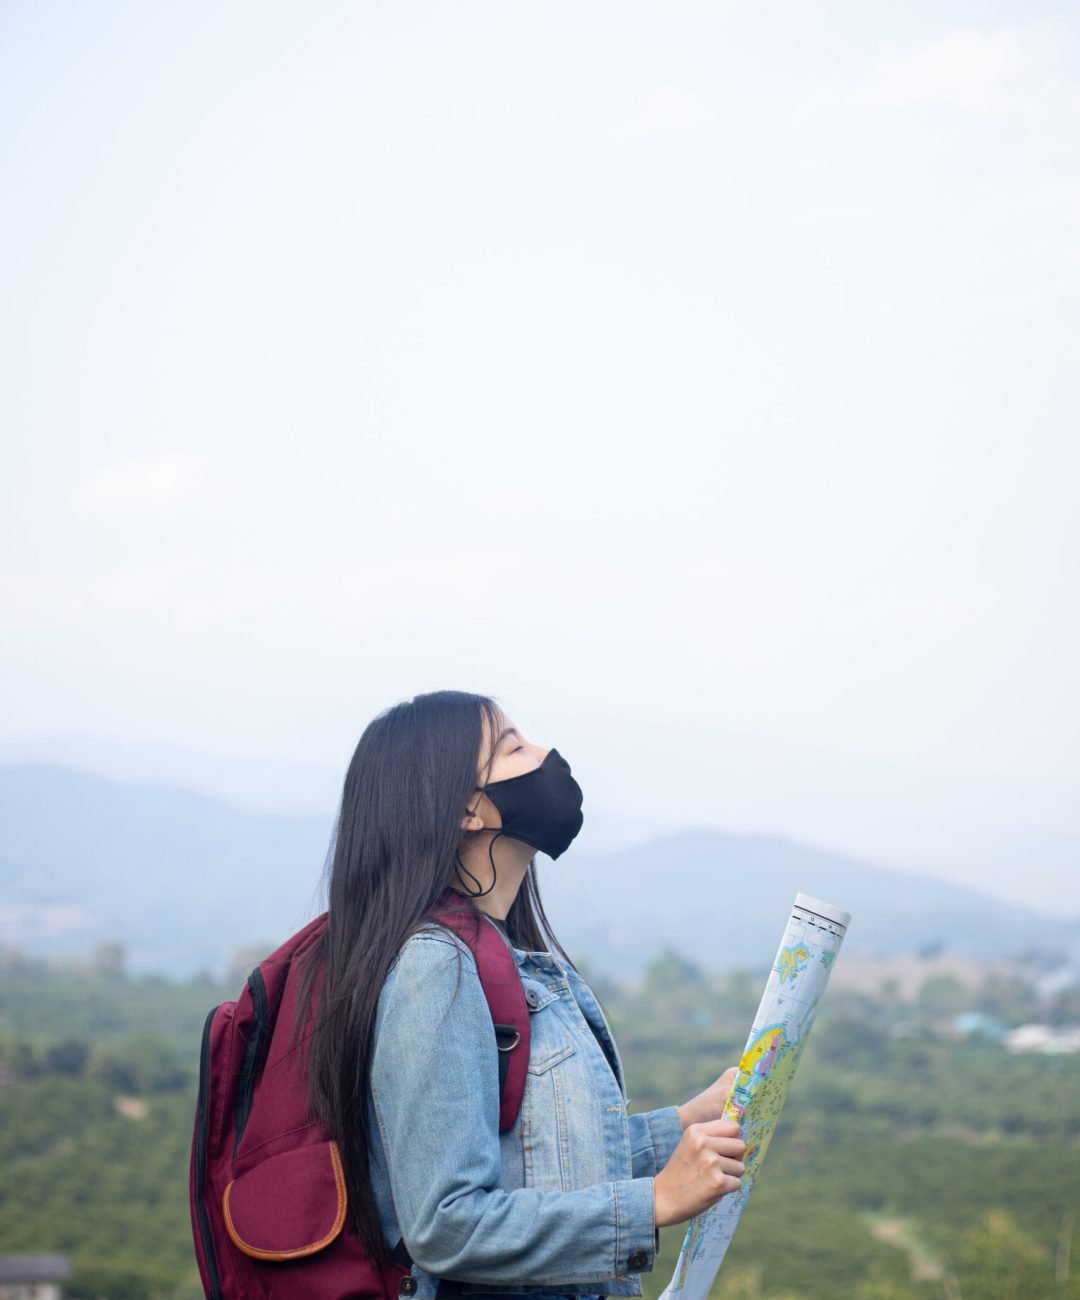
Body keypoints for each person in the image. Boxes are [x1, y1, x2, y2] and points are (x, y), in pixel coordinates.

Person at [299, 690, 746, 1298]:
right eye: (514, 747)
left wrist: (684, 1125)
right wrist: (657, 1201)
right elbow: (445, 1224)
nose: (546, 756)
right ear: (468, 810)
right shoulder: (436, 968)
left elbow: (538, 1168)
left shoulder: (497, 956)